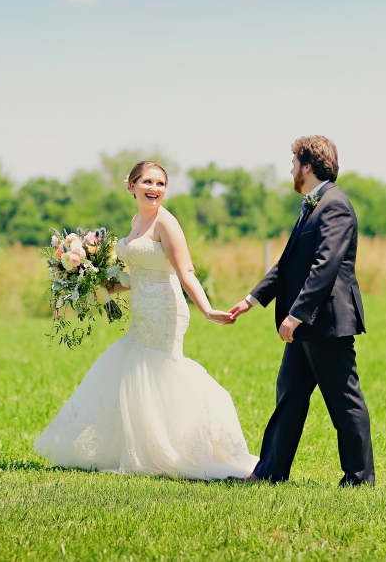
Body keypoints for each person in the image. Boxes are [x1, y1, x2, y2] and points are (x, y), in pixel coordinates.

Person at [34, 161, 258, 479]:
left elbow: (187, 272)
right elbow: (135, 274)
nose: (154, 189)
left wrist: (207, 310)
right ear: (132, 186)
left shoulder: (167, 224)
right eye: (148, 182)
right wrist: (94, 281)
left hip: (166, 311)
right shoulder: (136, 220)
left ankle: (182, 449)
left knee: (162, 370)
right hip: (141, 309)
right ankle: (141, 448)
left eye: (160, 184)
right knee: (134, 373)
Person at [230, 136, 375, 486]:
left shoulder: (334, 205)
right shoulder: (314, 204)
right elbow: (287, 265)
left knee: (344, 402)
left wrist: (296, 315)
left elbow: (325, 266)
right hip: (304, 326)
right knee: (289, 397)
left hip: (324, 322)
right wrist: (251, 300)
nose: (291, 169)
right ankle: (269, 474)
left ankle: (358, 480)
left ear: (308, 166)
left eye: (294, 162)